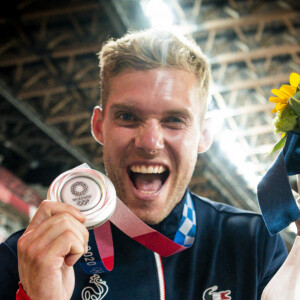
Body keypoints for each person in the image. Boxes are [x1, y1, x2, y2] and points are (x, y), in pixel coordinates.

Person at [0, 29, 290, 300]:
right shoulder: (28, 257)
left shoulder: (254, 245)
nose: (150, 142)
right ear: (99, 126)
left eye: (174, 120)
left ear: (204, 134)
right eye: (127, 117)